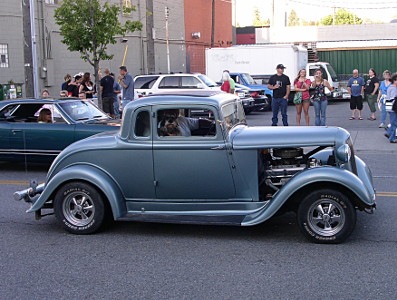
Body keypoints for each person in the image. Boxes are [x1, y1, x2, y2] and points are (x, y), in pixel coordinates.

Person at [385, 73, 397, 143]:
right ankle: (392, 138)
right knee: (395, 123)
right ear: (395, 80)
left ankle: (389, 132)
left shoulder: (390, 87)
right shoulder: (394, 89)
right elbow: (393, 100)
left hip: (389, 107)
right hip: (393, 108)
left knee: (393, 122)